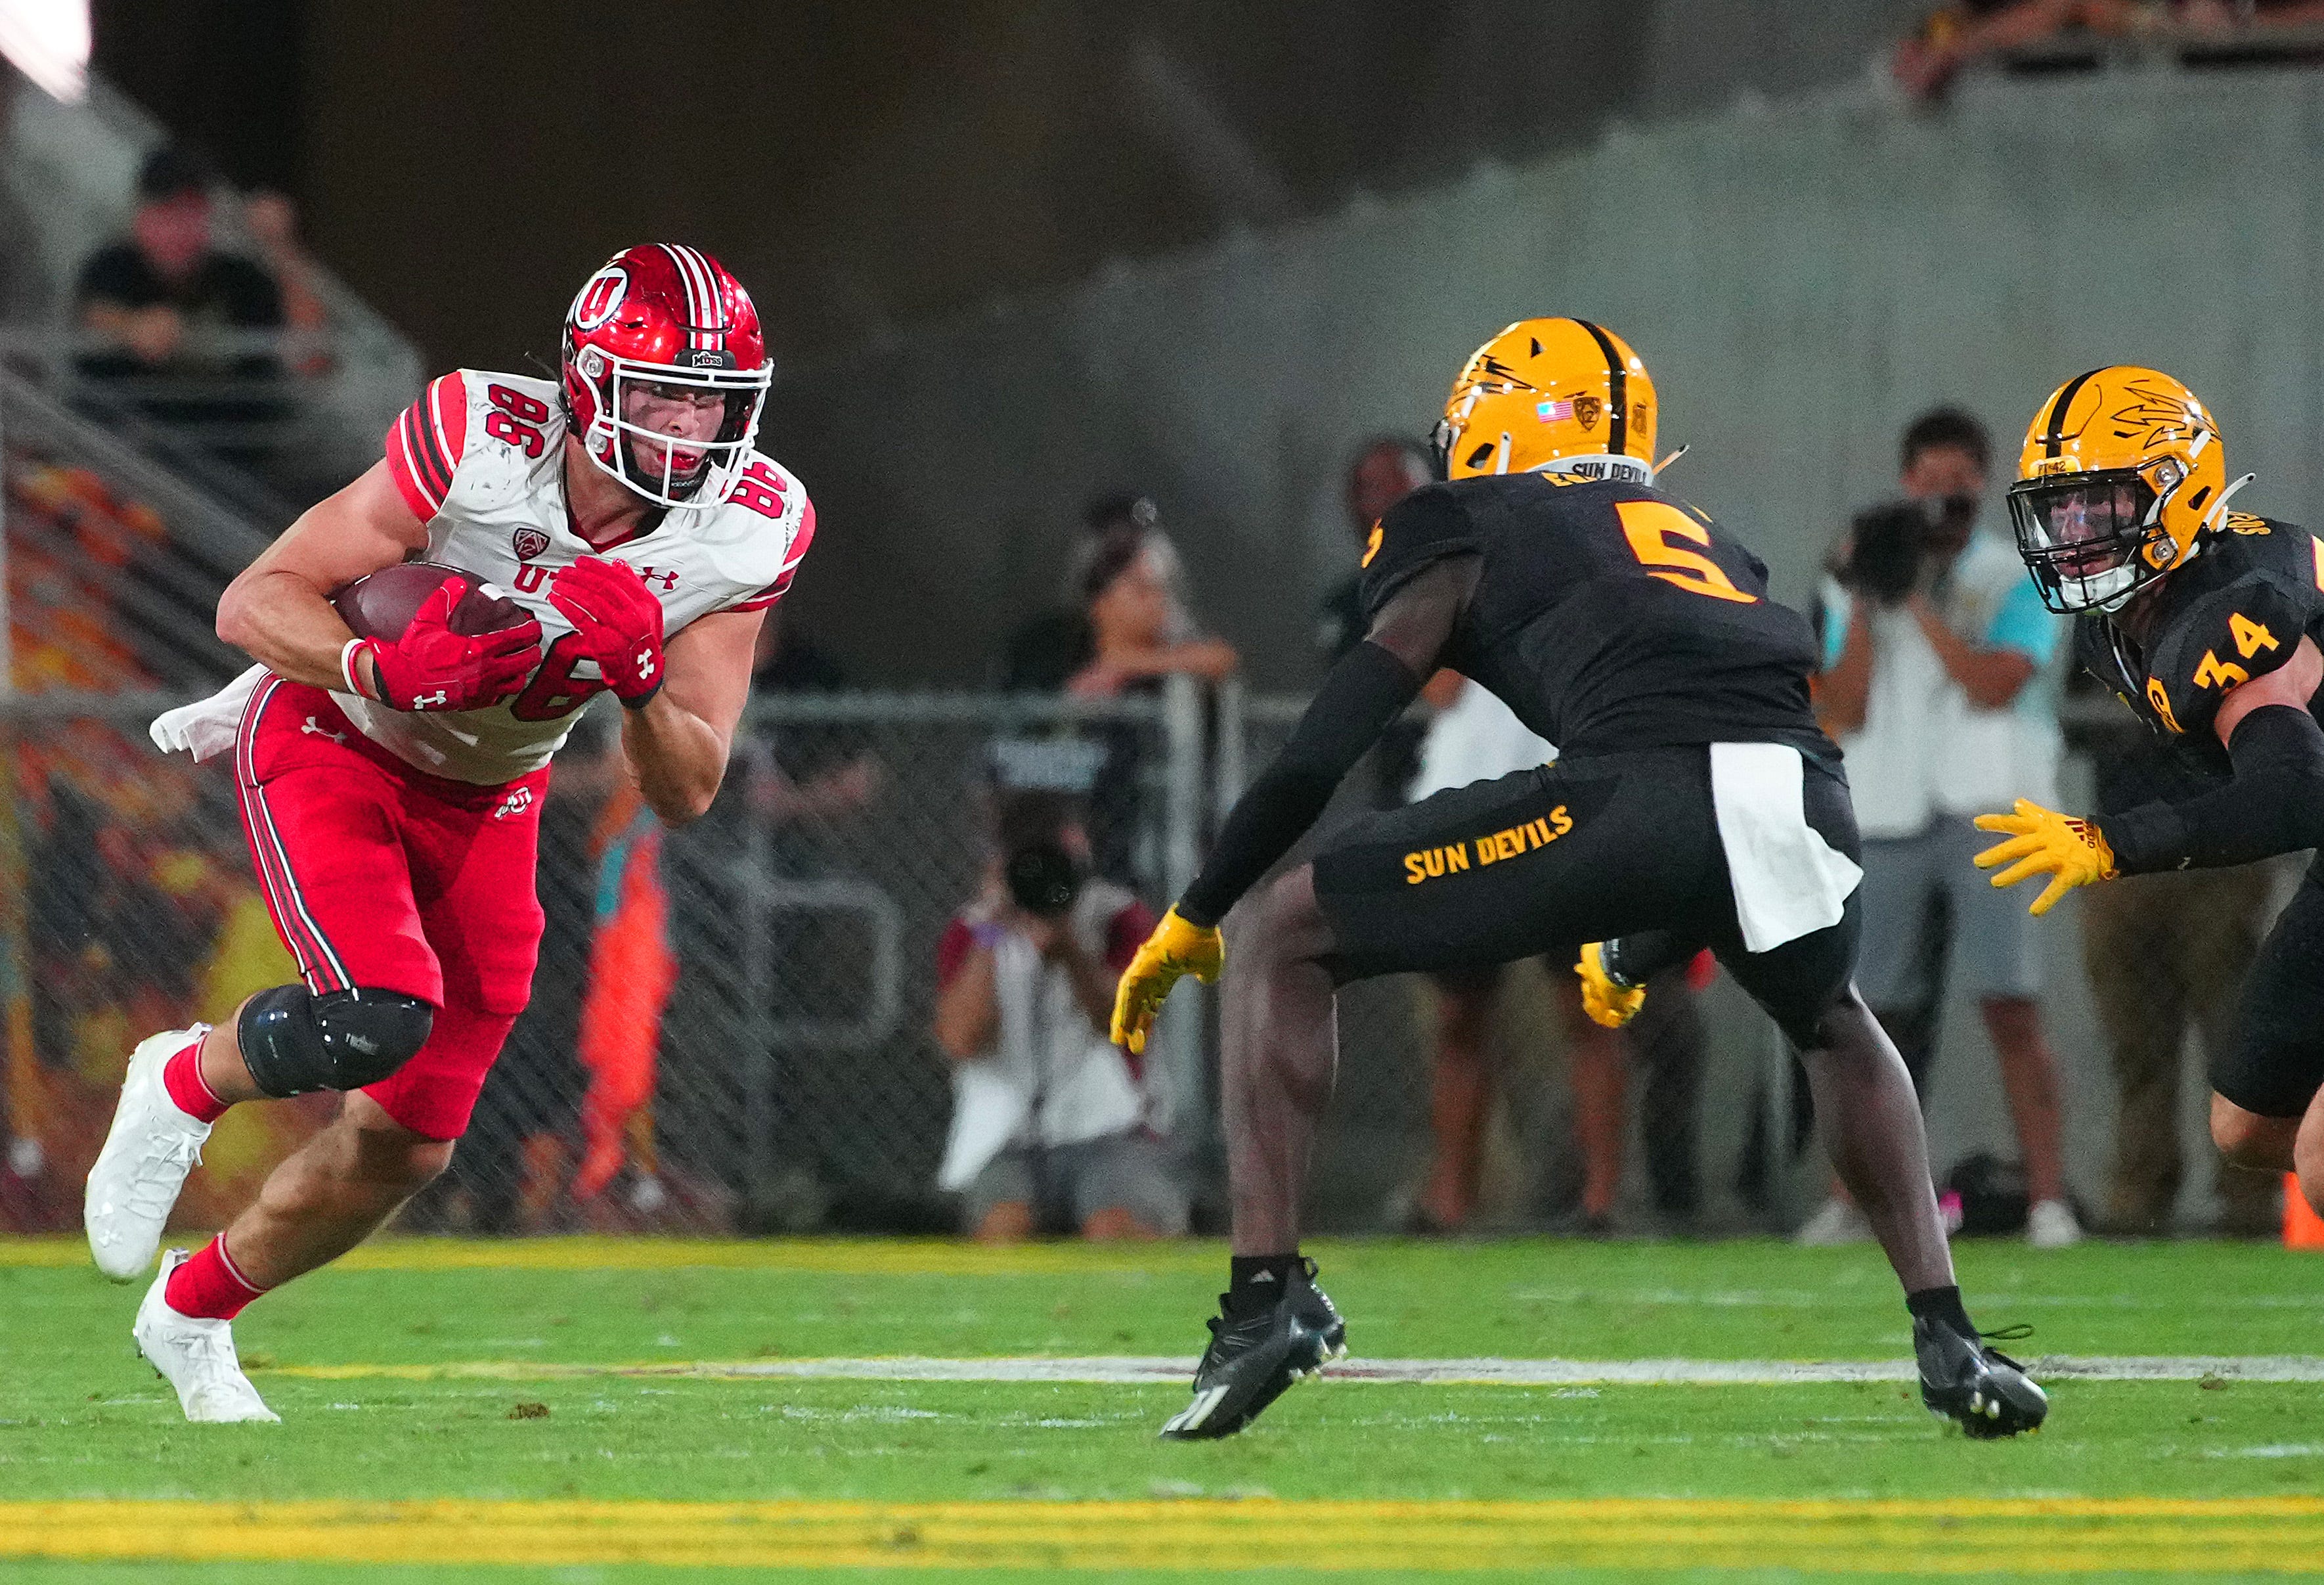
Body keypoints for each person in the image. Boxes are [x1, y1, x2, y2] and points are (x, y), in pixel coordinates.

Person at [1112, 317, 2046, 1442]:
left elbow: (1328, 741)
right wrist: (1637, 924)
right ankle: (1947, 1333)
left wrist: (1197, 905)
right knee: (1830, 1019)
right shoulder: (1701, 530)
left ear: (1512, 417)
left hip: (1640, 796)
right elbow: (1729, 770)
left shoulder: (1464, 520)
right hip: (1802, 797)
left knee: (1283, 929)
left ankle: (1264, 1299)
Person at [83, 244, 813, 1422]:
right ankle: (184, 1073)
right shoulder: (479, 431)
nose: (687, 428)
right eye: (658, 393)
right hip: (337, 734)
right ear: (584, 383)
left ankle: (192, 1311)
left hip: (494, 795)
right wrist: (379, 659)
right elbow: (254, 597)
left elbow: (686, 787)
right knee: (376, 1011)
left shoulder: (749, 526)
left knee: (410, 1146)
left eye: (707, 399)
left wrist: (637, 686)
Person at [1969, 365, 2324, 1232]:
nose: (2074, 536)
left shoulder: (2233, 607)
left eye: (2099, 509)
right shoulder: (2124, 619)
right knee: (2247, 1123)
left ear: (2178, 489)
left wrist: (2108, 841)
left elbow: (2289, 794)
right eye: (2061, 512)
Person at [1810, 409, 2078, 1248]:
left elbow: (1992, 683)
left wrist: (1919, 602)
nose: (1938, 505)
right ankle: (1850, 1201)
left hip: (1986, 802)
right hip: (1888, 803)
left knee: (2008, 1001)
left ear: (1979, 488)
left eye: (1956, 488)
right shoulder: (1860, 575)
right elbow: (1840, 710)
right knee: (1869, 1015)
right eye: (1925, 486)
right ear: (1903, 484)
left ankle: (2045, 1201)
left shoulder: (2013, 574)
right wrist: (1863, 597)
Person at [932, 792, 1184, 1241]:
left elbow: (1126, 1026)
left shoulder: (1119, 918)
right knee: (1003, 1226)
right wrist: (993, 928)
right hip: (1007, 1139)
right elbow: (959, 1040)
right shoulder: (974, 929)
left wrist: (1070, 948)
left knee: (1116, 1228)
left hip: (1112, 1132)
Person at [72, 147, 323, 443]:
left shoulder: (242, 278)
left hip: (230, 458)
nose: (180, 228)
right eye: (168, 211)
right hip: (118, 446)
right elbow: (96, 313)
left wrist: (280, 248)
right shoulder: (113, 265)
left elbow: (312, 357)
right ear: (141, 214)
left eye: (193, 212)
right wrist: (133, 326)